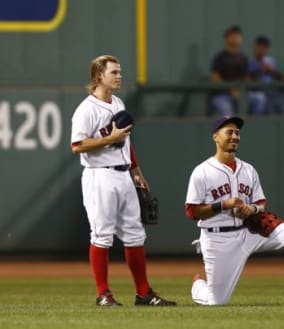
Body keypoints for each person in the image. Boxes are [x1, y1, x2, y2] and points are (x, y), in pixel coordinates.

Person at [71, 55, 176, 307]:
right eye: (114, 72)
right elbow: (77, 146)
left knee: (135, 233)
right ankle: (103, 294)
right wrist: (110, 138)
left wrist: (136, 169)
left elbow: (125, 140)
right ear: (99, 76)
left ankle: (144, 293)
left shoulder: (118, 102)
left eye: (119, 72)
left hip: (123, 174)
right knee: (102, 235)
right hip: (99, 175)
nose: (119, 76)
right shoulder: (86, 108)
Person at [185, 116, 284, 305]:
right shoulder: (202, 172)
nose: (234, 136)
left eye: (237, 133)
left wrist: (252, 208)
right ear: (215, 137)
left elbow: (261, 202)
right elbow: (192, 212)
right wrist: (223, 205)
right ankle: (198, 284)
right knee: (216, 302)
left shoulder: (248, 170)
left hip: (249, 232)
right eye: (229, 132)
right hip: (218, 240)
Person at [211, 25, 266, 115]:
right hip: (223, 95)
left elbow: (246, 78)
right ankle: (232, 129)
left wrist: (257, 74)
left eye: (237, 35)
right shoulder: (220, 57)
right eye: (232, 35)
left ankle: (254, 126)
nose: (235, 38)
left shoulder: (242, 58)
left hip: (240, 93)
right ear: (227, 38)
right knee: (227, 110)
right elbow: (215, 79)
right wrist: (230, 89)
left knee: (259, 98)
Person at [249, 35, 284, 115]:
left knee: (282, 99)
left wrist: (272, 70)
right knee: (263, 99)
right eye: (260, 46)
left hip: (273, 90)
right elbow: (248, 80)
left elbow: (281, 77)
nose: (262, 49)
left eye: (264, 47)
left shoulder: (271, 60)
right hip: (258, 90)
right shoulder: (250, 61)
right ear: (255, 47)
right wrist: (261, 70)